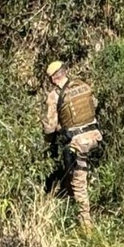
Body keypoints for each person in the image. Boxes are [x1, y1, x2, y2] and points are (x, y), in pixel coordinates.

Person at [42, 60, 103, 230]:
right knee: (77, 172)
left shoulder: (54, 96)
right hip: (96, 137)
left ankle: (86, 226)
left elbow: (50, 127)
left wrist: (50, 143)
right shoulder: (83, 86)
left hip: (79, 143)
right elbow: (94, 105)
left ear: (53, 78)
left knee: (78, 182)